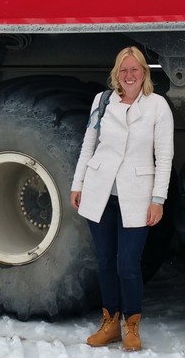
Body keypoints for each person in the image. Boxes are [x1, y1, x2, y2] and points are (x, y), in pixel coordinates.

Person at [70, 46, 174, 352]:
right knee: (104, 262)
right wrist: (78, 184)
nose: (129, 76)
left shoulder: (158, 106)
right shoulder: (102, 102)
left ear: (145, 73)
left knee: (128, 264)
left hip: (138, 196)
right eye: (123, 70)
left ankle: (131, 325)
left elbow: (164, 157)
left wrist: (158, 199)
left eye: (135, 70)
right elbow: (88, 145)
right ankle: (110, 323)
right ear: (117, 74)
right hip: (99, 193)